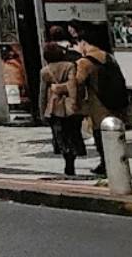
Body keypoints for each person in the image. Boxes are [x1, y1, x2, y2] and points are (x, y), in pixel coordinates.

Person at [73, 29, 130, 178]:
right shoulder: (109, 57)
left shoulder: (84, 62)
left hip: (99, 104)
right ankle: (115, 162)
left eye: (78, 44)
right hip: (116, 102)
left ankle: (106, 164)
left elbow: (77, 83)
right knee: (116, 134)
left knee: (100, 135)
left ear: (84, 43)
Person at [39, 42, 85, 176]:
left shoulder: (45, 71)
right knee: (73, 132)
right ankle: (72, 156)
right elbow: (73, 84)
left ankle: (66, 155)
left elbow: (42, 93)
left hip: (54, 107)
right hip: (71, 105)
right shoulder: (70, 66)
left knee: (60, 135)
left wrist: (42, 112)